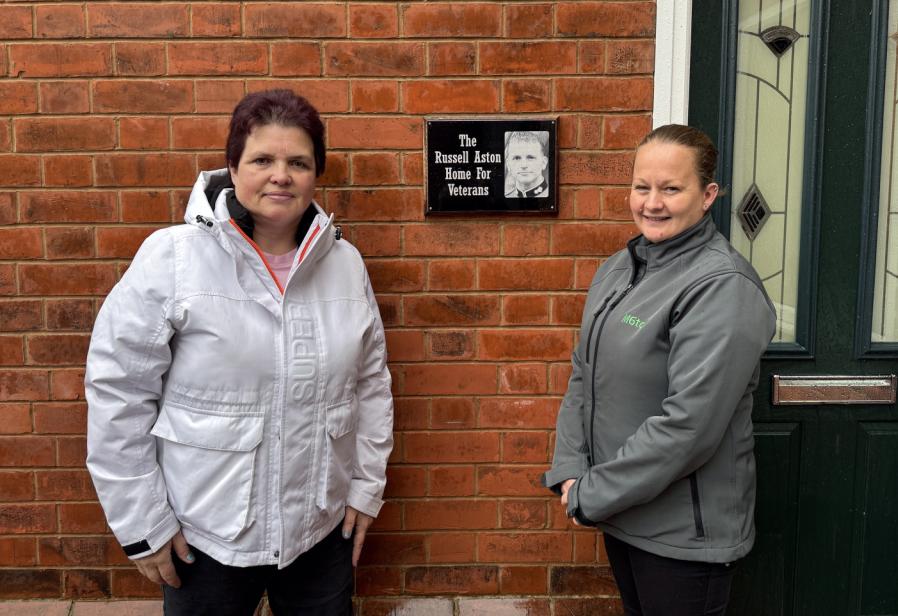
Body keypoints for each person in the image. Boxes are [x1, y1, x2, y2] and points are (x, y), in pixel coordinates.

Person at [85, 89, 394, 616]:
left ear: (316, 174)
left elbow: (370, 384)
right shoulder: (174, 258)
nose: (281, 175)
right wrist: (143, 524)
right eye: (263, 160)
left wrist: (365, 488)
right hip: (206, 539)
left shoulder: (345, 263)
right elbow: (120, 391)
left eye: (298, 162)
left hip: (320, 533)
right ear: (232, 167)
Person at [542, 124, 776, 616]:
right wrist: (569, 469)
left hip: (683, 537)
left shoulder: (721, 286)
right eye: (642, 187)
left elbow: (689, 426)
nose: (652, 203)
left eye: (671, 189)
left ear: (708, 195)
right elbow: (583, 373)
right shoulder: (617, 270)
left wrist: (592, 494)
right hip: (622, 516)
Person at [504, 131, 550, 197]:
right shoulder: (506, 198)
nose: (524, 165)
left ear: (543, 163)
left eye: (530, 158)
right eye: (517, 158)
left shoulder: (553, 196)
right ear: (508, 165)